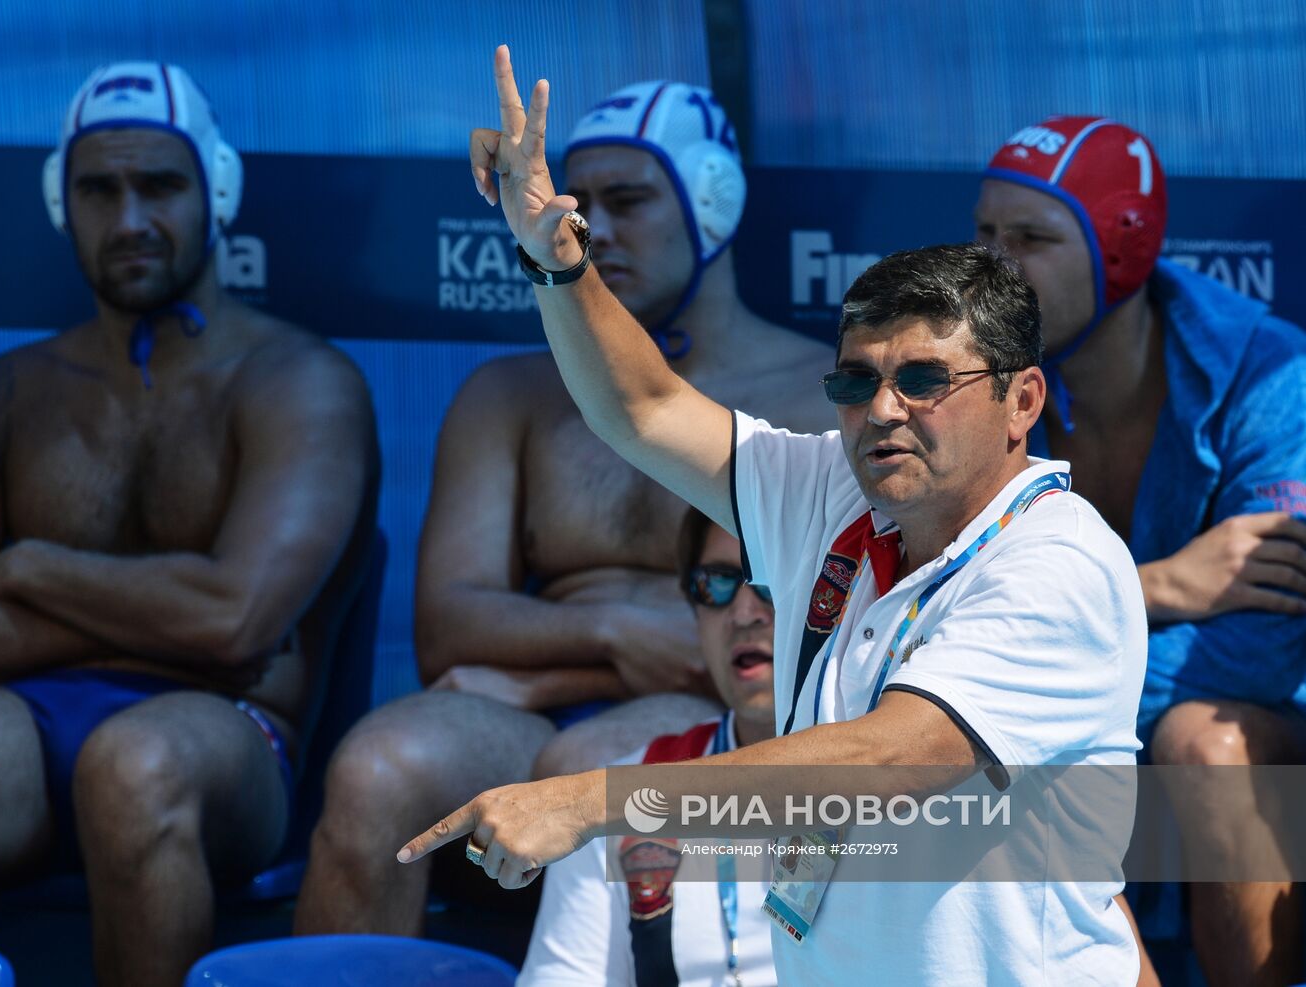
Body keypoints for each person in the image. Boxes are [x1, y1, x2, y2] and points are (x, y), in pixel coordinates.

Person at [400, 47, 1147, 985]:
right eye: (854, 380)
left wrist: (595, 800)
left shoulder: (1056, 559)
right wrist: (557, 262)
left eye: (923, 380)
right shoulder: (836, 490)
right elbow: (645, 407)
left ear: (1022, 399)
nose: (882, 410)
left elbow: (887, 763)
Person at [294, 77, 833, 937]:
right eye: (584, 207)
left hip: (708, 710)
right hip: (530, 709)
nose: (593, 229)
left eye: (630, 202)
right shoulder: (507, 394)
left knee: (591, 767)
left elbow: (801, 648)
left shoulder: (819, 398)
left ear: (714, 205)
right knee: (375, 767)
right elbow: (448, 627)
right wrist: (621, 637)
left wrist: (541, 667)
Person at [0, 61, 376, 987]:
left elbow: (234, 623)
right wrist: (174, 625)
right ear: (61, 201)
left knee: (135, 760)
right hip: (16, 726)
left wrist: (30, 564)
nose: (129, 220)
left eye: (159, 185)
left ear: (218, 189)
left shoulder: (301, 383)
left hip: (227, 735)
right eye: (99, 189)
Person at [976, 116, 1306, 986]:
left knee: (1206, 745)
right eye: (983, 235)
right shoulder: (968, 377)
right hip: (1070, 720)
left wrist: (1051, 698)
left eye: (1031, 239)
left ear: (1120, 250)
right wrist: (1152, 586)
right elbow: (945, 607)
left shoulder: (1271, 377)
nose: (992, 267)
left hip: (1249, 728)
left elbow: (1264, 647)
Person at [519, 509, 778, 987]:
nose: (744, 613)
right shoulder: (609, 804)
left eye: (771, 574)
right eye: (716, 584)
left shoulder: (917, 780)